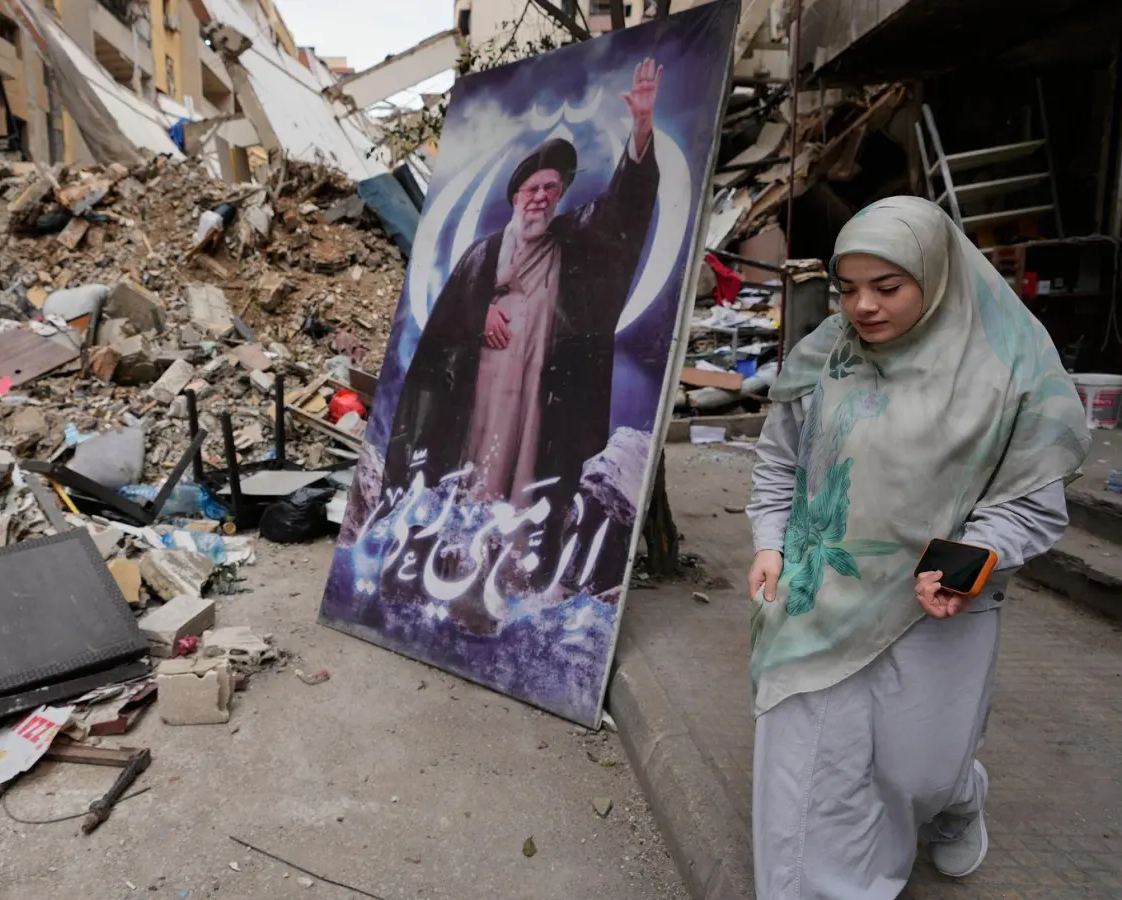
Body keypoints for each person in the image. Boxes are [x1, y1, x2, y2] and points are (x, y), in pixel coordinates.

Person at [745, 196, 1091, 898]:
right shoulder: (823, 361)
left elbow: (1030, 501)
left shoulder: (1008, 376)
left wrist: (963, 565)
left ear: (936, 278)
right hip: (820, 596)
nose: (862, 307)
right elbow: (780, 464)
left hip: (936, 605)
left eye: (888, 287)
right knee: (810, 782)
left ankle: (957, 792)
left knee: (917, 771)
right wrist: (769, 543)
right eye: (847, 289)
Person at [372, 60, 664, 624]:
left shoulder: (572, 244)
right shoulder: (480, 258)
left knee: (528, 505)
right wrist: (478, 321)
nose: (541, 197)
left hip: (540, 420)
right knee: (468, 498)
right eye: (532, 187)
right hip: (473, 420)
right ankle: (453, 579)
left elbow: (621, 211)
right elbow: (437, 343)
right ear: (515, 195)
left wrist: (643, 131)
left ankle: (508, 593)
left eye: (552, 188)